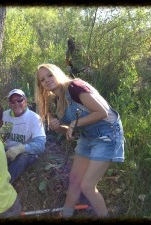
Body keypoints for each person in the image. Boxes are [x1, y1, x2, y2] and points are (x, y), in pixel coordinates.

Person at [35, 63, 124, 218]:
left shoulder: (75, 87)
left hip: (107, 134)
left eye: (49, 75)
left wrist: (73, 124)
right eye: (42, 79)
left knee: (87, 186)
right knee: (74, 180)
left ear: (57, 73)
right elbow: (72, 132)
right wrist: (58, 128)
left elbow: (102, 112)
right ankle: (66, 215)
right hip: (87, 137)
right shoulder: (58, 100)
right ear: (41, 86)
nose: (47, 80)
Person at [2, 89, 46, 183]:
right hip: (7, 151)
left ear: (25, 101)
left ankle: (4, 185)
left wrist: (20, 148)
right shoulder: (4, 116)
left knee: (23, 157)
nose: (16, 103)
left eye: (19, 100)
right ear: (9, 104)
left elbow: (40, 146)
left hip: (26, 153)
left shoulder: (34, 118)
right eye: (12, 101)